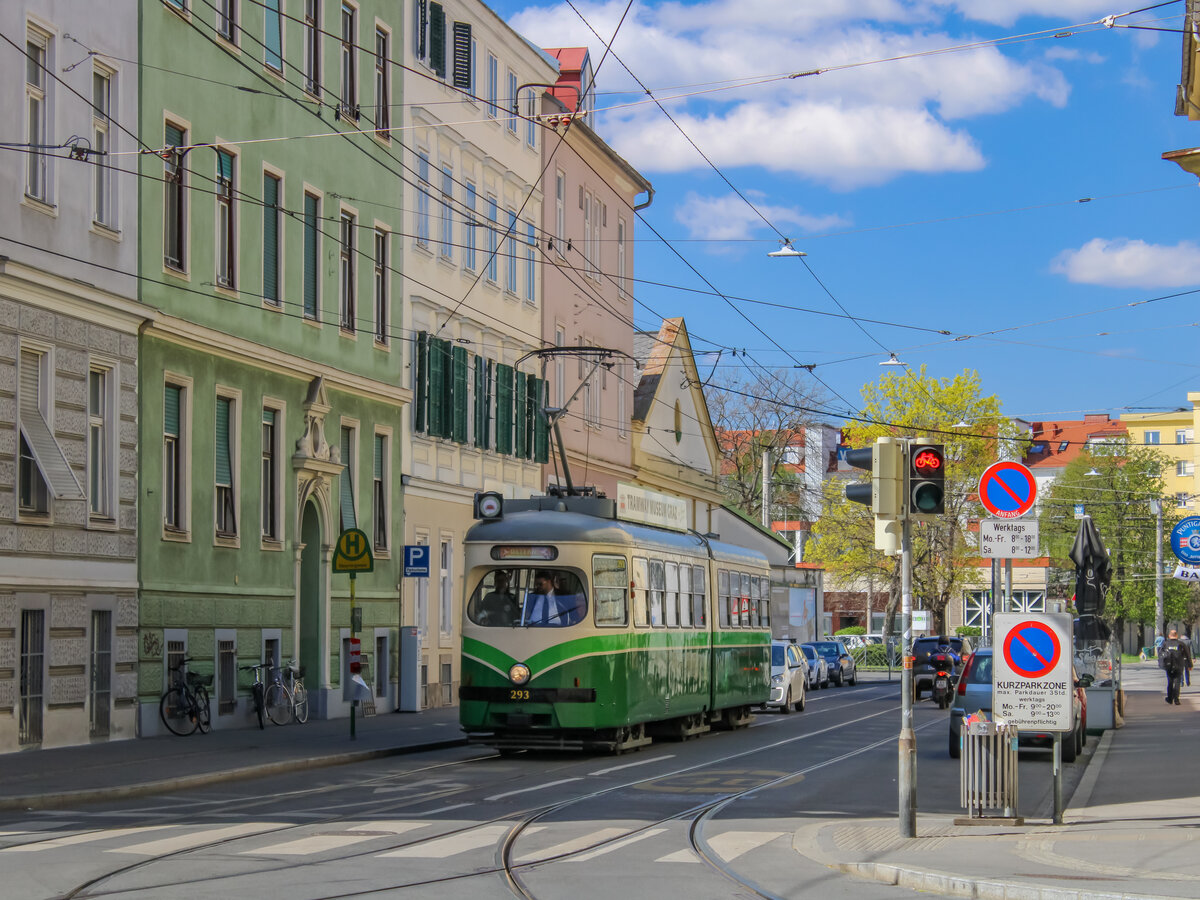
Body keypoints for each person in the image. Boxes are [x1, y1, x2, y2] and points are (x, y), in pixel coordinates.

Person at [1160, 628, 1193, 705]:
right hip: (1179, 665)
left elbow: (1161, 654)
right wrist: (1190, 665)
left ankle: (1169, 698)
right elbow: (1188, 655)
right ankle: (1176, 699)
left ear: (1169, 636)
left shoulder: (1165, 644)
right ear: (1176, 635)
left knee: (1170, 682)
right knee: (1177, 682)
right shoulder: (1181, 644)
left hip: (1169, 666)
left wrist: (1162, 664)